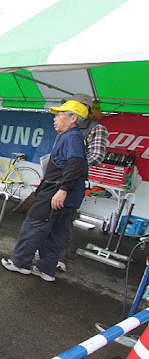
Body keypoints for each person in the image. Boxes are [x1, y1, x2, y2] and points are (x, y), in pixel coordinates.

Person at [2, 100, 88, 282]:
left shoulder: (72, 137)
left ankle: (20, 263)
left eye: (59, 115)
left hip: (57, 192)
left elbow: (75, 163)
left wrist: (63, 190)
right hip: (67, 194)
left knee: (33, 226)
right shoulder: (72, 136)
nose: (55, 119)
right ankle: (46, 269)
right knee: (56, 233)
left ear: (73, 118)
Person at [55, 93, 108, 272]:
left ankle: (60, 259)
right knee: (50, 217)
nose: (64, 112)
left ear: (82, 109)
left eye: (70, 107)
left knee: (65, 220)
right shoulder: (65, 127)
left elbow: (97, 156)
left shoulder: (96, 128)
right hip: (56, 179)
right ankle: (45, 254)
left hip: (73, 181)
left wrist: (73, 165)